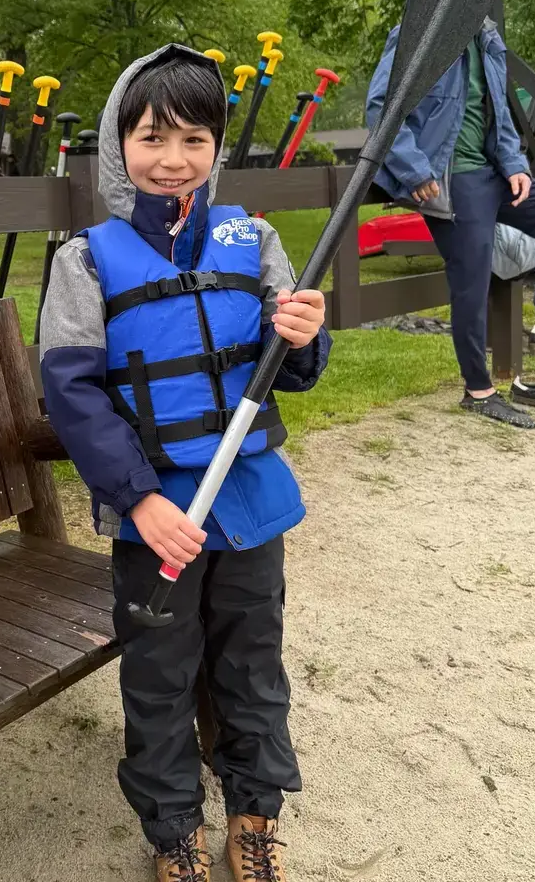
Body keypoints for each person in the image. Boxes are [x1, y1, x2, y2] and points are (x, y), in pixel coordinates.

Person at [39, 45, 331, 882]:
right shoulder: (85, 259)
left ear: (216, 148)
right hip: (157, 513)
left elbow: (294, 368)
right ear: (118, 144)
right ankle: (172, 830)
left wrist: (304, 336)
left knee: (252, 662)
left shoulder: (255, 239)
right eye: (152, 138)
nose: (173, 160)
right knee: (160, 674)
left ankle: (255, 814)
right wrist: (137, 499)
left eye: (194, 140)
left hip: (248, 502)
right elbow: (72, 395)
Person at [367, 19, 535, 427]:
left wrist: (515, 164)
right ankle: (478, 391)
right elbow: (381, 107)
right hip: (451, 180)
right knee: (471, 282)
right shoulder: (418, 29)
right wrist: (415, 170)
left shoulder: (487, 37)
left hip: (494, 173)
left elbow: (500, 115)